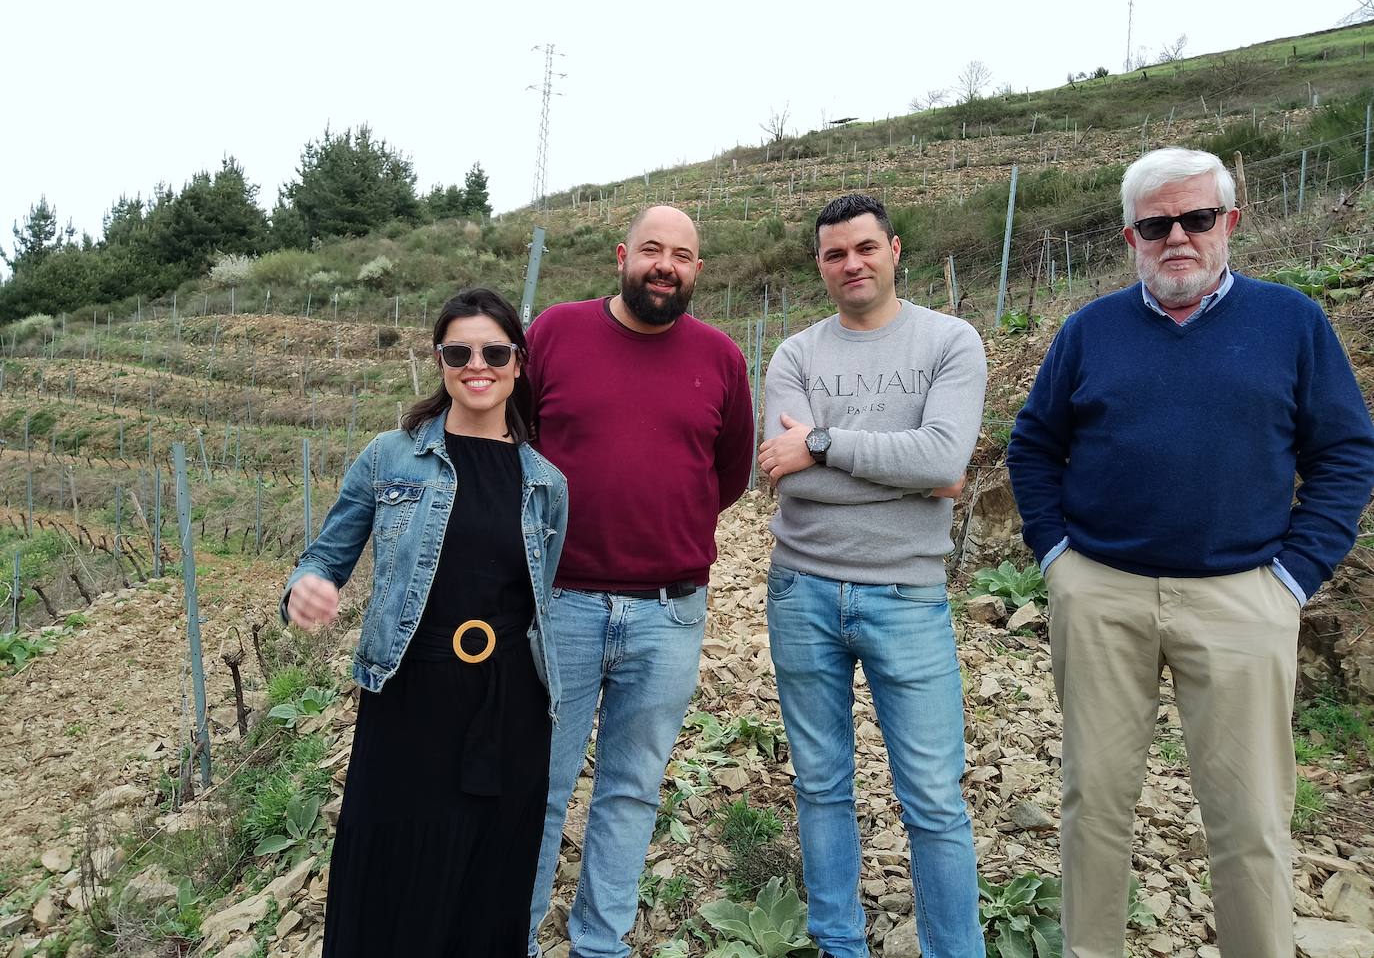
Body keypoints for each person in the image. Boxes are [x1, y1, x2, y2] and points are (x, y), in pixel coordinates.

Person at [1007, 147, 1374, 958]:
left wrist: (1294, 574)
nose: (1177, 236)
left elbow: (1347, 453)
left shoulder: (1293, 323)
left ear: (1229, 223)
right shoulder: (1088, 331)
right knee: (1094, 801)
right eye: (1156, 223)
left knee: (1250, 815)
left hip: (1244, 596)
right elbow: (1032, 445)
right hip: (1102, 592)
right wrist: (1057, 557)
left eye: (1196, 219)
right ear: (1131, 235)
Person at [280, 287, 568, 957]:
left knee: (489, 880)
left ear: (518, 363)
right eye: (458, 351)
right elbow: (325, 555)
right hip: (410, 697)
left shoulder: (547, 482)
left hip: (508, 708)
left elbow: (537, 601)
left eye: (494, 351)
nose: (477, 364)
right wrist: (307, 588)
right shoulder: (390, 456)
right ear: (438, 359)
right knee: (393, 875)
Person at [757, 193, 987, 958]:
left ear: (895, 249)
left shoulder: (951, 341)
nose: (850, 262)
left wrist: (820, 441)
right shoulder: (794, 355)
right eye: (833, 253)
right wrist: (902, 465)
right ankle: (838, 944)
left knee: (932, 799)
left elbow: (945, 462)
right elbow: (787, 477)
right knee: (821, 786)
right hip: (802, 589)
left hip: (907, 594)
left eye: (864, 247)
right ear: (820, 265)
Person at [524, 205, 755, 958]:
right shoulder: (555, 331)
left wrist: (662, 525)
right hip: (558, 603)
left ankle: (600, 942)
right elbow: (513, 442)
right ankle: (509, 931)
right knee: (538, 786)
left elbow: (725, 476)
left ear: (697, 270)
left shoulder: (721, 357)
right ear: (622, 255)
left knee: (630, 787)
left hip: (669, 614)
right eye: (651, 249)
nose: (665, 264)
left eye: (681, 255)